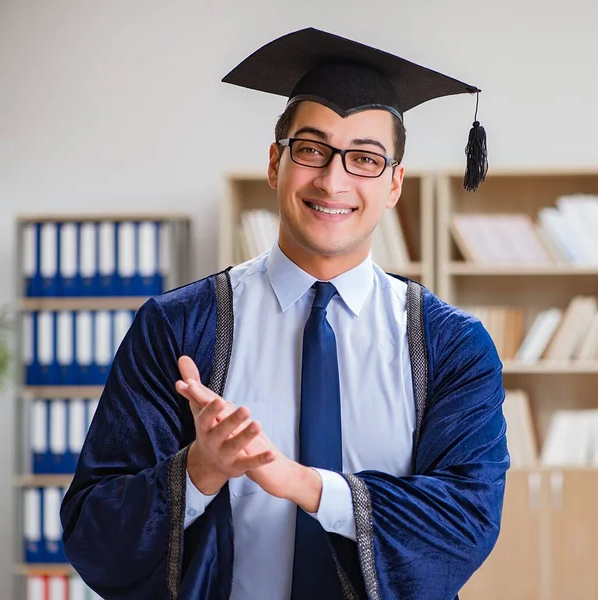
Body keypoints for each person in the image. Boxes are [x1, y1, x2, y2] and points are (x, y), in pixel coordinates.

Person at [61, 27, 508, 600]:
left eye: (365, 159)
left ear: (396, 184)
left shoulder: (451, 346)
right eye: (311, 149)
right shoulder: (177, 329)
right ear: (275, 163)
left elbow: (465, 520)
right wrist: (199, 471)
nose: (333, 178)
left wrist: (303, 484)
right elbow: (91, 528)